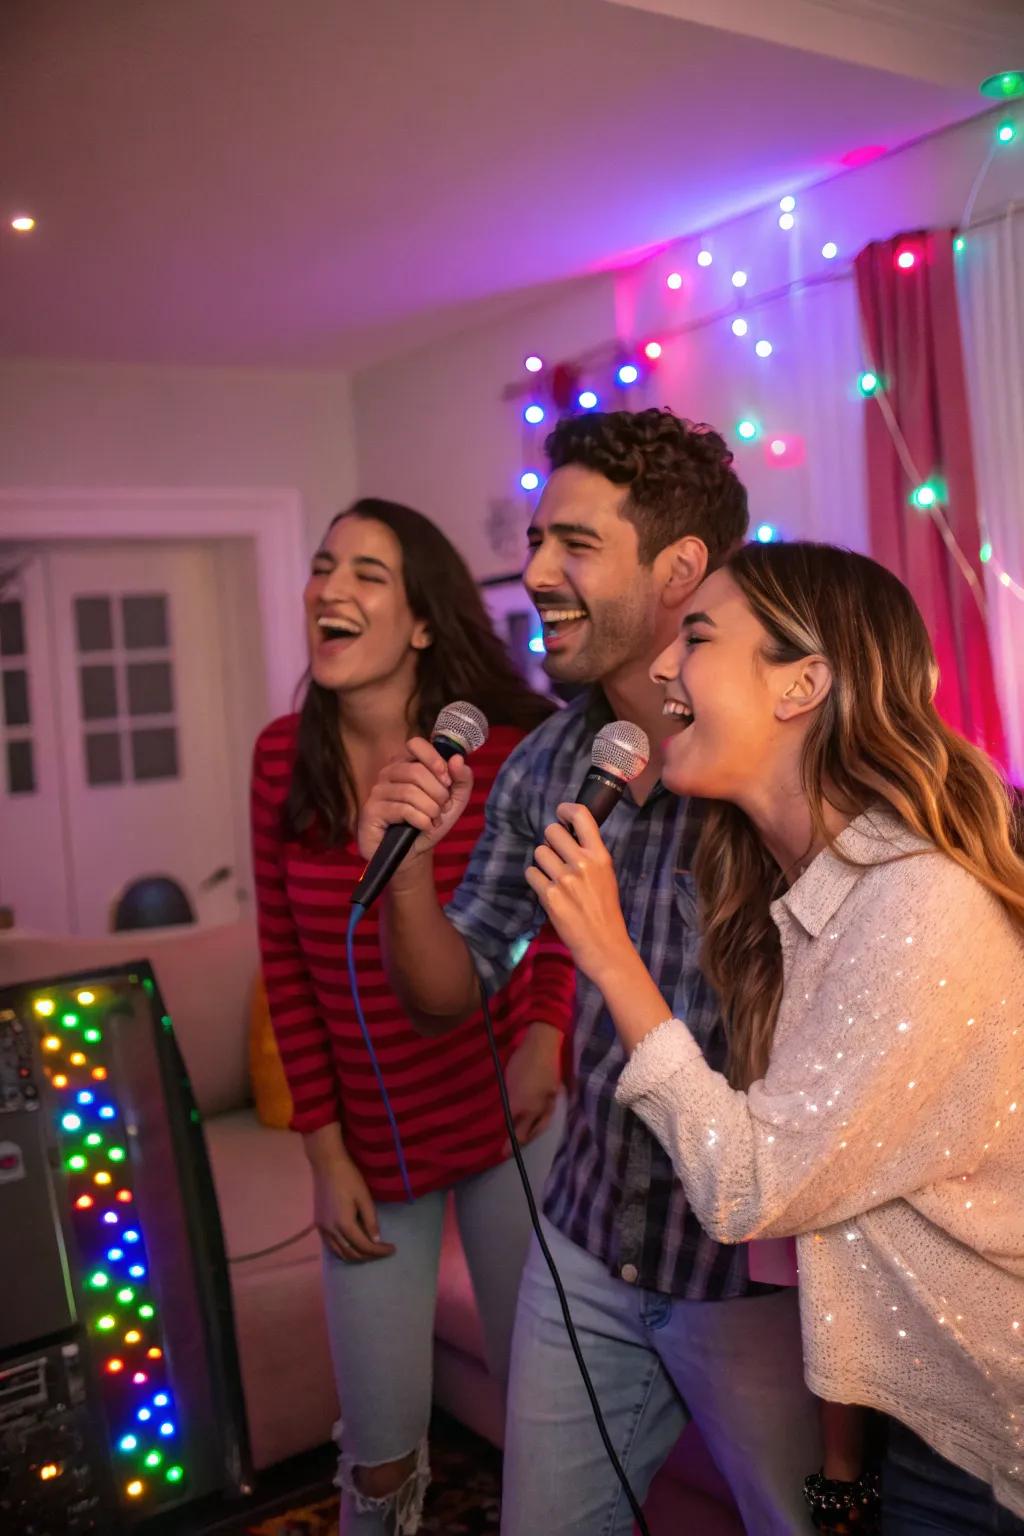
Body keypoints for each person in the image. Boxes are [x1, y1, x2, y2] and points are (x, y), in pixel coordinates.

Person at [359, 411, 823, 1535]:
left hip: (753, 1279)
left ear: (677, 572)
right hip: (585, 1250)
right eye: (531, 541)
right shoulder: (554, 760)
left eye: (572, 544)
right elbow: (446, 990)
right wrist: (410, 871)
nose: (530, 574)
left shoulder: (794, 755)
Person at [524, 540, 1024, 1534]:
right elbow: (847, 1209)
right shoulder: (821, 893)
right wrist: (843, 1463)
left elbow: (751, 1189)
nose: (664, 667)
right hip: (924, 1424)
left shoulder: (916, 899)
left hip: (991, 1436)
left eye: (697, 638)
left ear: (802, 683)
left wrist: (615, 965)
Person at [251, 498, 575, 1536]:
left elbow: (564, 903)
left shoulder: (509, 749)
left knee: (554, 1422)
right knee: (381, 1451)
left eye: (367, 574)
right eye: (321, 566)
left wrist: (546, 1038)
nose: (330, 589)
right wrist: (322, 1150)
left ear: (424, 620)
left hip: (505, 1124)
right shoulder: (277, 760)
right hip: (376, 1155)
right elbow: (286, 963)